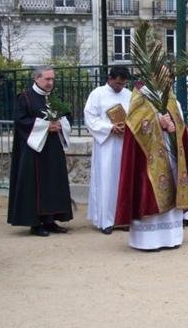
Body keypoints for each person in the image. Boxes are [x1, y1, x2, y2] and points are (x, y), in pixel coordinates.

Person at [114, 82, 188, 250]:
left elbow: (179, 122)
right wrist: (157, 123)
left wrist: (173, 127)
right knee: (149, 193)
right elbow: (134, 123)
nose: (165, 77)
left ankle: (171, 238)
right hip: (148, 157)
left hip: (170, 151)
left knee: (172, 187)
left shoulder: (171, 96)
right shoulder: (140, 95)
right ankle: (148, 241)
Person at [7, 66, 73, 236]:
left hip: (53, 147)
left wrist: (60, 124)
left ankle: (51, 220)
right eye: (47, 79)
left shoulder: (54, 97)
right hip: (34, 150)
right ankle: (35, 223)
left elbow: (67, 115)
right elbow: (21, 120)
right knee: (35, 184)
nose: (51, 82)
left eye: (52, 79)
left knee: (53, 182)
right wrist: (46, 127)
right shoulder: (25, 98)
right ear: (36, 78)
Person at [83, 66, 132, 234]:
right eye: (118, 83)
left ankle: (123, 218)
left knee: (123, 180)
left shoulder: (129, 95)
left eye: (123, 84)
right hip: (107, 145)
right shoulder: (97, 94)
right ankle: (106, 221)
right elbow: (90, 118)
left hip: (125, 143)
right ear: (110, 79)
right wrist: (109, 127)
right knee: (107, 181)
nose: (120, 87)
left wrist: (129, 126)